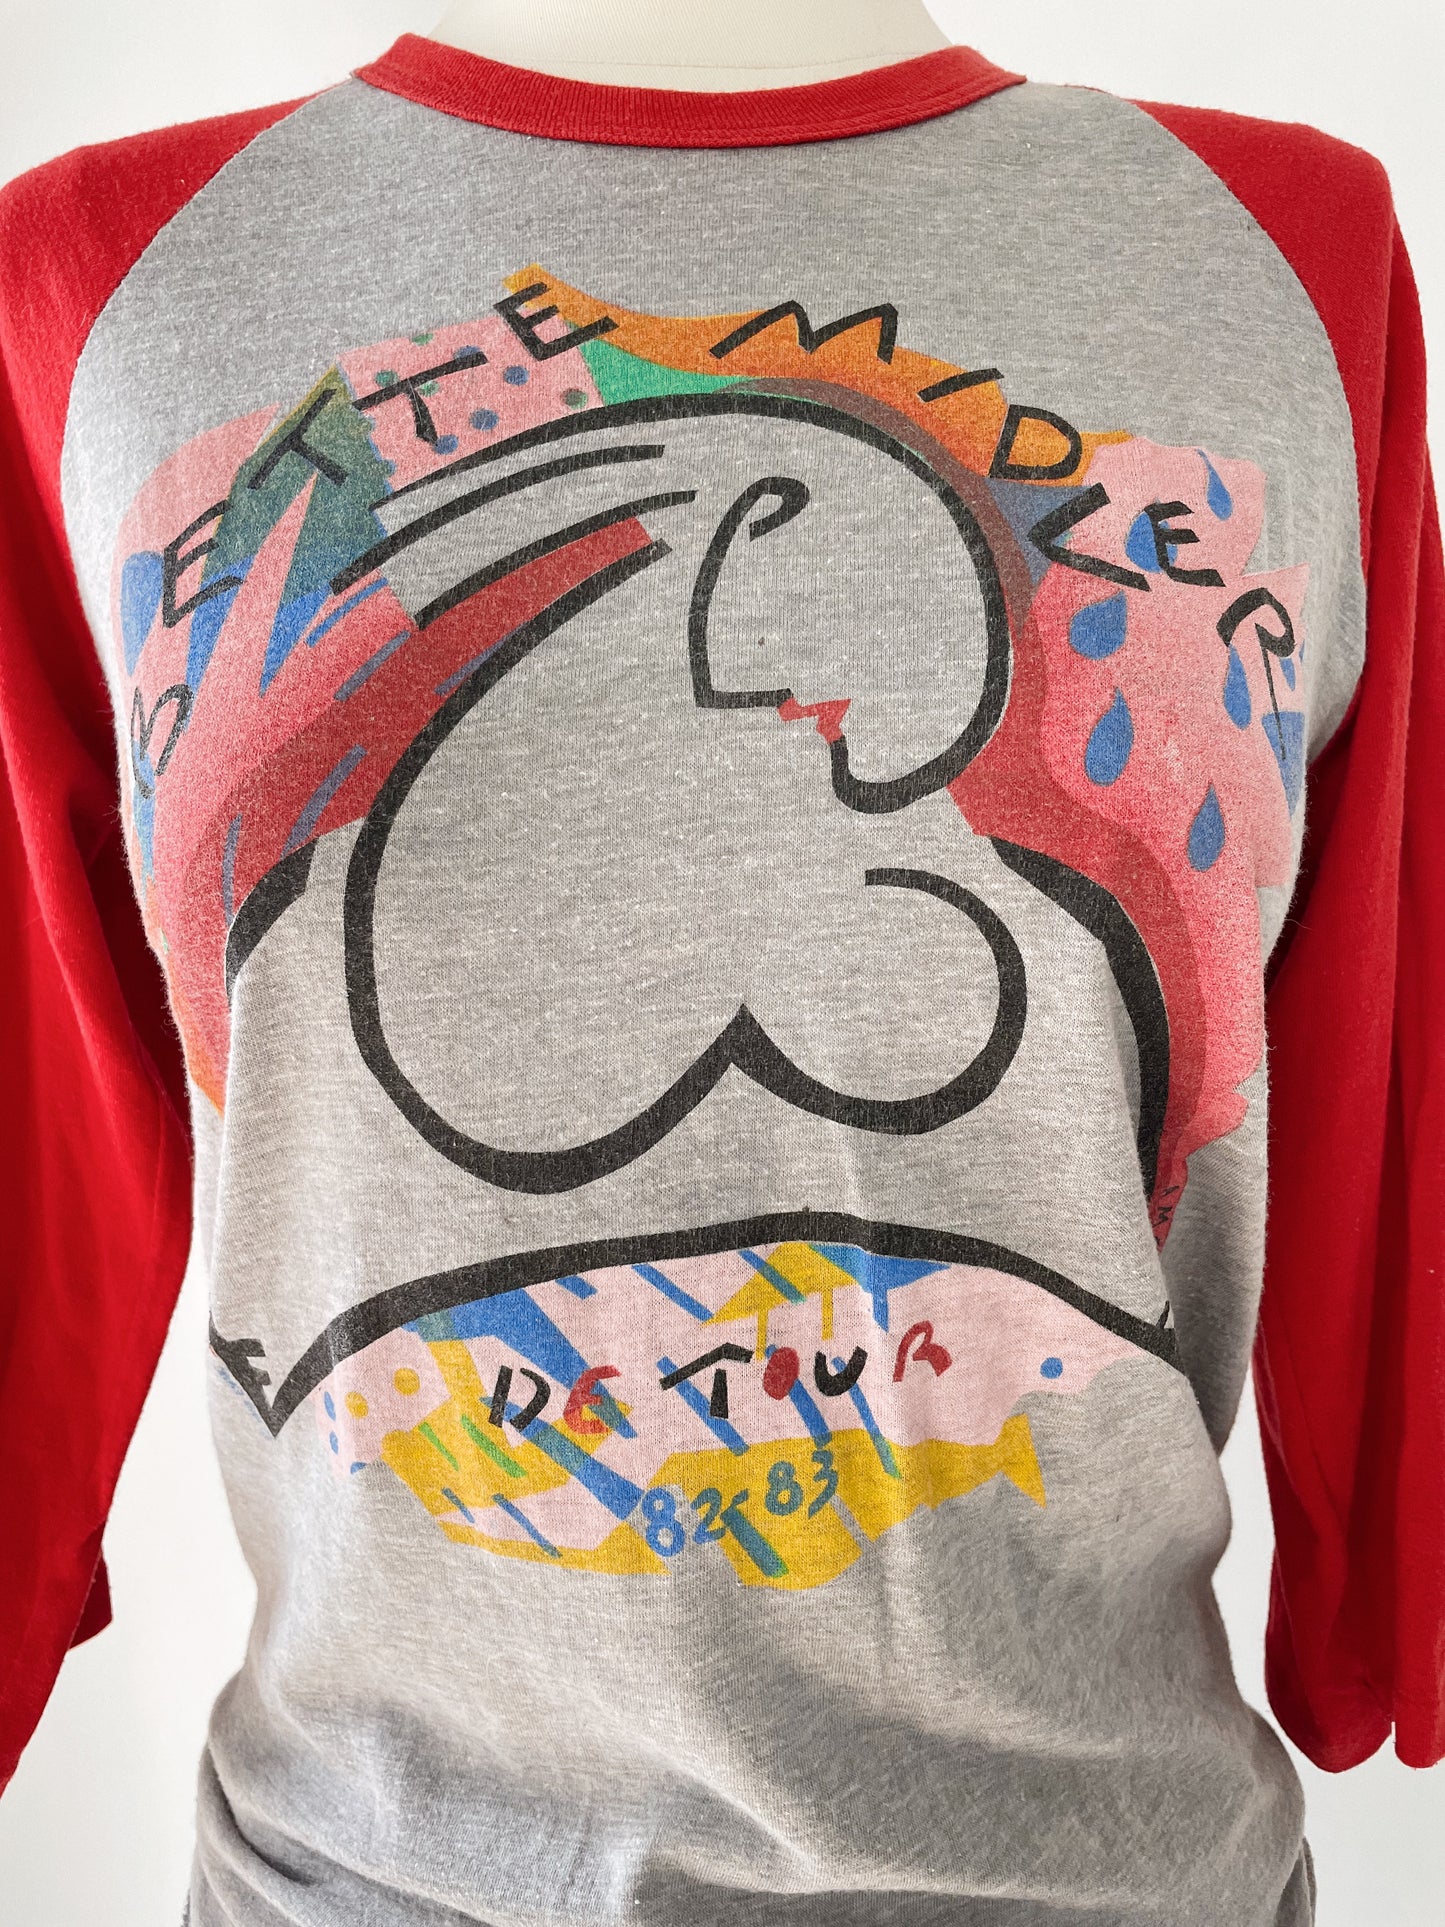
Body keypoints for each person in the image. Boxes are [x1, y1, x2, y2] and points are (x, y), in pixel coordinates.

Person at [1, 4, 1440, 1921]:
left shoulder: (1277, 247)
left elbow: (1369, 1044)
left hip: (1105, 1869)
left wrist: (1380, 1582)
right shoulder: (97, 278)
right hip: (366, 1863)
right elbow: (45, 1095)